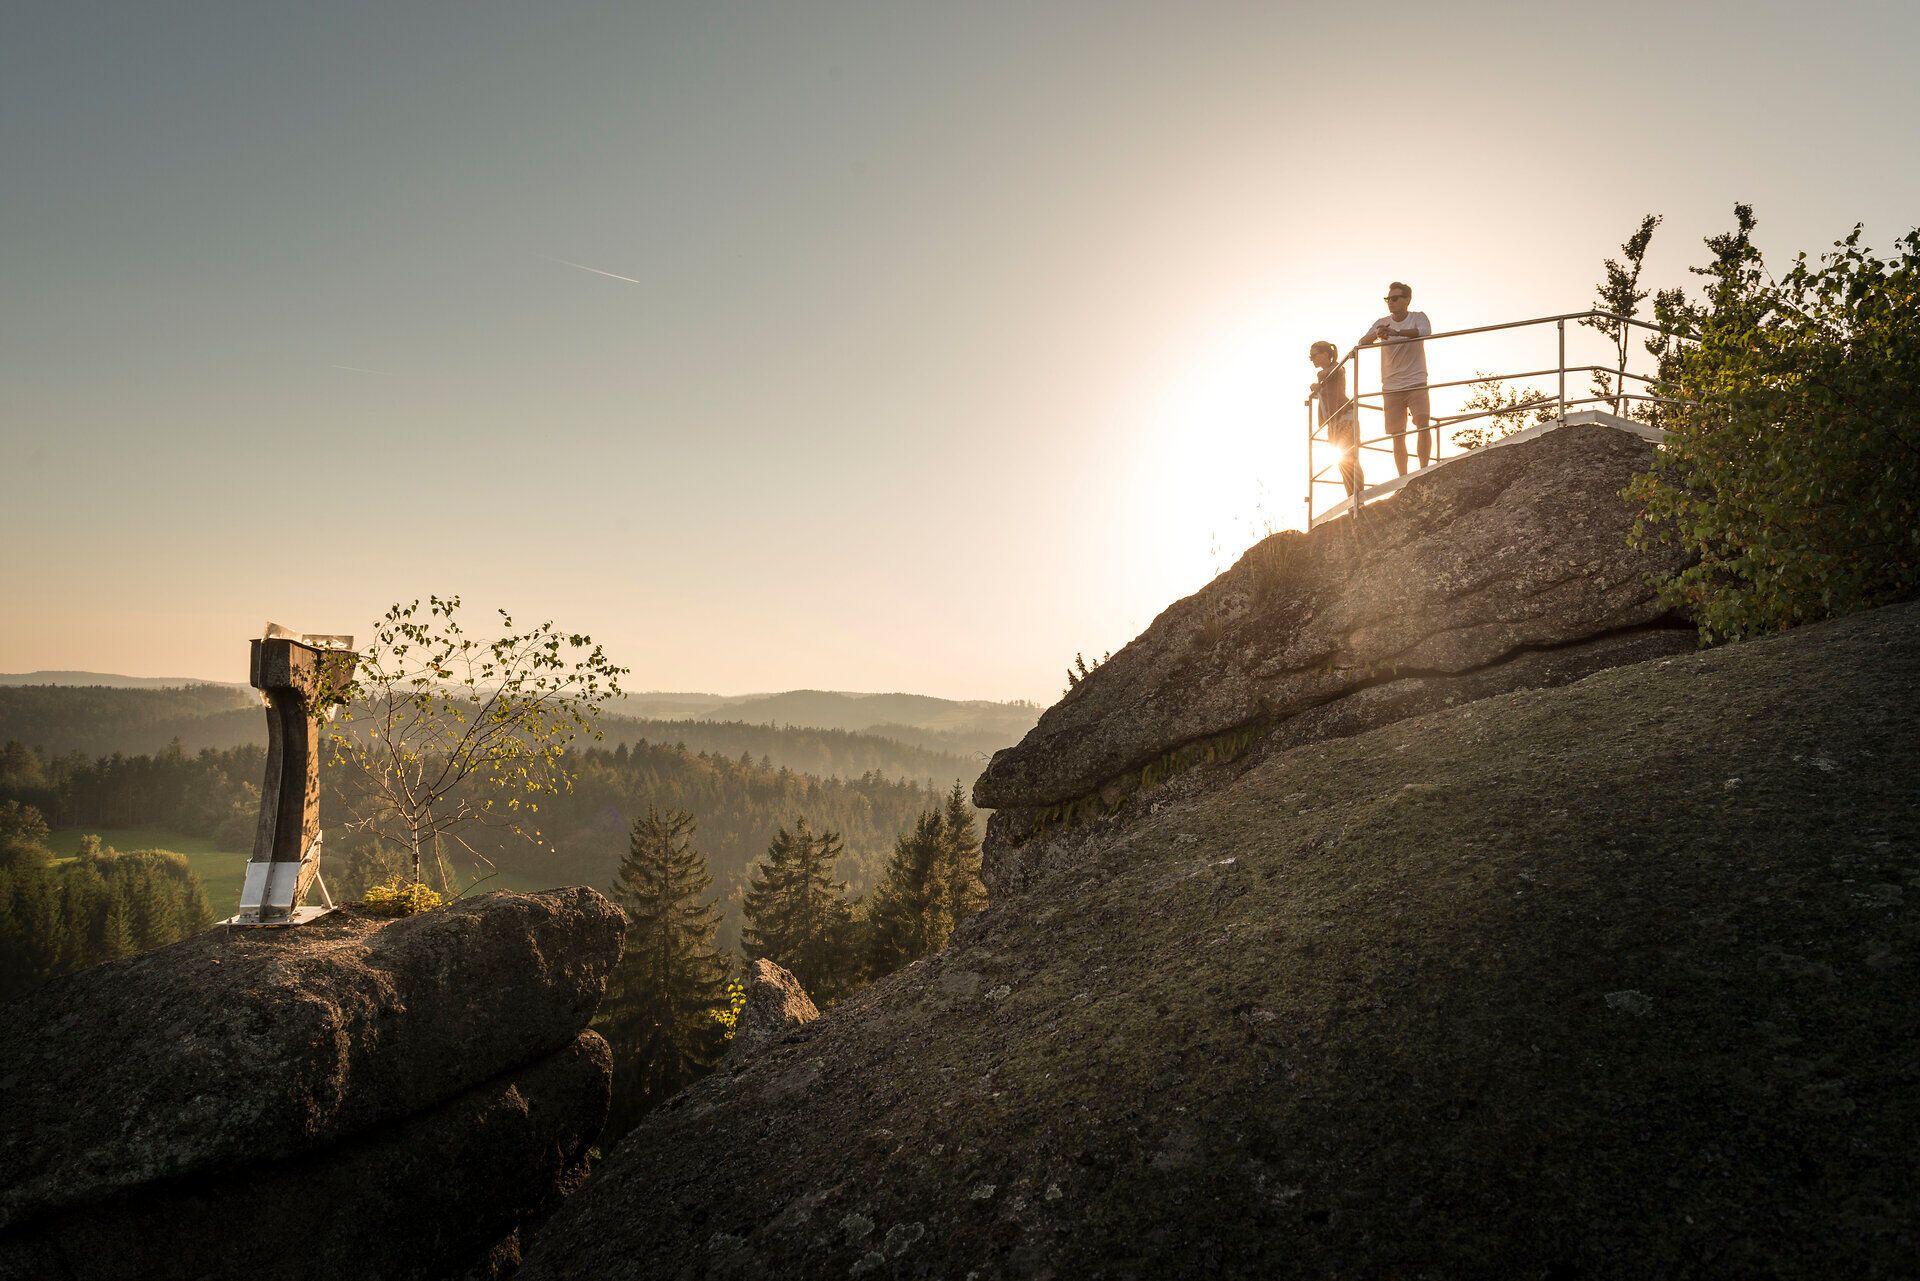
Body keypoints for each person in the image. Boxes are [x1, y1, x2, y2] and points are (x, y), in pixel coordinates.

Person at [1361, 281, 1432, 475]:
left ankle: (1425, 471)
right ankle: (1403, 478)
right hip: (1391, 385)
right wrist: (1377, 334)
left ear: (1407, 299)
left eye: (1394, 298)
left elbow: (1425, 331)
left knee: (1422, 424)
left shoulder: (1418, 317)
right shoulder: (1382, 322)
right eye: (1387, 299)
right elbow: (1362, 342)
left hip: (1416, 380)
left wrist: (1396, 333)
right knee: (1397, 434)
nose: (1390, 302)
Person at [1310, 340, 1362, 501]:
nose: (1312, 359)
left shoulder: (1337, 368)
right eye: (1310, 357)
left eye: (1314, 355)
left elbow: (1333, 373)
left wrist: (1318, 383)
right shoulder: (1326, 374)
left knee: (1350, 457)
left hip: (1345, 417)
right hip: (1333, 422)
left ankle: (1358, 497)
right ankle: (1352, 497)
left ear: (1326, 354)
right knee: (1342, 462)